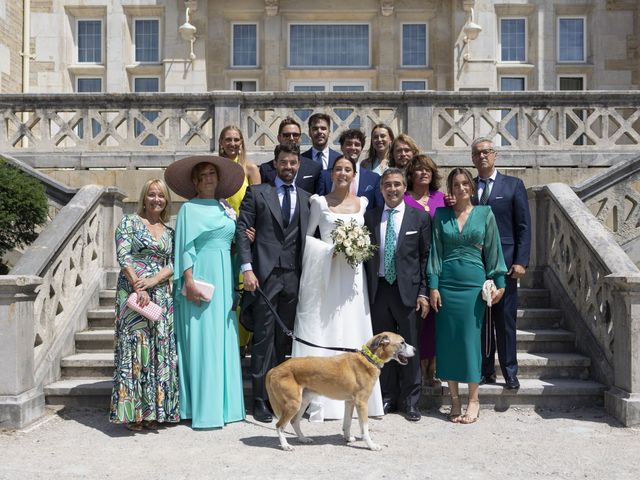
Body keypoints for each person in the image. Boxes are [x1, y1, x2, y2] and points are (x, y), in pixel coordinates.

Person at [293, 155, 384, 421]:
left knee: (355, 326)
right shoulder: (319, 203)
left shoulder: (363, 203)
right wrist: (330, 250)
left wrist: (358, 247)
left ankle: (361, 394)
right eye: (338, 169)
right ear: (331, 174)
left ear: (354, 175)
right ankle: (326, 395)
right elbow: (308, 240)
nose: (342, 173)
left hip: (354, 278)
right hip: (328, 274)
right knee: (329, 327)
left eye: (348, 170)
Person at [164, 155, 246, 429]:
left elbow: (231, 245)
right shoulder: (189, 209)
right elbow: (184, 247)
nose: (209, 178)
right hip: (201, 278)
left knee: (224, 339)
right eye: (204, 175)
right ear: (196, 182)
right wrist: (188, 281)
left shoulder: (225, 210)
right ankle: (203, 408)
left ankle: (227, 407)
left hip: (224, 278)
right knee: (203, 341)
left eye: (213, 173)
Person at [236, 143, 312, 423]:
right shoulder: (257, 193)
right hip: (264, 278)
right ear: (276, 164)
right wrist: (247, 268)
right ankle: (259, 399)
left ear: (298, 165)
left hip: (294, 279)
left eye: (293, 163)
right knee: (263, 341)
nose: (289, 167)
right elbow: (243, 231)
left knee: (283, 344)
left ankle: (280, 399)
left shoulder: (307, 198)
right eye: (284, 163)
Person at [428, 168, 507, 424]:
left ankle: (473, 399)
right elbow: (435, 253)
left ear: (471, 188)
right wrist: (433, 286)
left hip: (473, 286)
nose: (460, 188)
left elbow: (494, 251)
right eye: (455, 184)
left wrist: (500, 282)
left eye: (464, 184)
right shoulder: (440, 215)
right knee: (448, 342)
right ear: (450, 189)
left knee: (470, 342)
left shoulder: (485, 214)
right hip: (447, 285)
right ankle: (454, 399)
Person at [110, 179, 179, 431]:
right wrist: (140, 286)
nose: (156, 200)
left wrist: (154, 281)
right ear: (144, 197)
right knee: (135, 351)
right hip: (133, 294)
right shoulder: (129, 222)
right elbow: (123, 255)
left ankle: (153, 413)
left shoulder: (170, 232)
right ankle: (132, 413)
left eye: (161, 196)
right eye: (152, 195)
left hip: (160, 296)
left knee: (159, 352)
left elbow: (174, 263)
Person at [364, 168, 431, 422]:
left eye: (397, 185)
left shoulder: (419, 218)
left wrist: (423, 292)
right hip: (379, 291)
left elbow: (426, 258)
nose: (392, 189)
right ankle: (387, 396)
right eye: (387, 185)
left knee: (410, 347)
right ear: (381, 189)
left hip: (409, 293)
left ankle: (412, 401)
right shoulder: (370, 218)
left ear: (405, 187)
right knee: (384, 349)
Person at [471, 137, 531, 390]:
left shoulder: (513, 185)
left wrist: (521, 261)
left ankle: (509, 372)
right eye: (477, 153)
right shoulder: (467, 187)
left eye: (487, 152)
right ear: (473, 159)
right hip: (475, 264)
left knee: (505, 321)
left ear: (495, 155)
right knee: (481, 320)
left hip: (505, 265)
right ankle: (485, 371)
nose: (482, 156)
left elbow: (523, 226)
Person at [403, 154, 446, 387]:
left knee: (436, 320)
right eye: (418, 169)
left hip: (439, 263)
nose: (423, 173)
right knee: (419, 318)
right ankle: (419, 366)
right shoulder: (404, 198)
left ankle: (434, 366)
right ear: (411, 174)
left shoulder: (442, 199)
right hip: (412, 265)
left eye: (428, 169)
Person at [317, 129, 383, 210]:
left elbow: (378, 209)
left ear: (361, 148)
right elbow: (319, 206)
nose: (353, 147)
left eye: (357, 144)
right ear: (341, 147)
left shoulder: (374, 178)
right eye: (349, 144)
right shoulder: (325, 176)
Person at [260, 117, 322, 194]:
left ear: (300, 139)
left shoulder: (314, 168)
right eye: (287, 135)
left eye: (295, 135)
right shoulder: (266, 169)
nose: (291, 138)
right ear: (279, 138)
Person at [218, 125, 261, 215]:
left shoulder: (251, 169)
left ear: (241, 143)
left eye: (236, 140)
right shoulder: (214, 168)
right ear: (221, 142)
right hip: (219, 221)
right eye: (228, 139)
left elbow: (257, 201)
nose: (232, 144)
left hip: (242, 223)